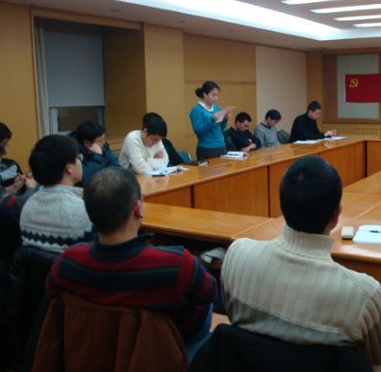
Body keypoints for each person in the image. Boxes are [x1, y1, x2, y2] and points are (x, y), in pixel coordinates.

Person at [221, 156, 381, 371]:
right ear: (336, 215)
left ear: (281, 204)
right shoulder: (365, 293)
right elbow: (379, 357)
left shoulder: (236, 255)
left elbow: (233, 316)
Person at [46, 167, 218, 358]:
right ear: (138, 208)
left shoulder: (68, 261)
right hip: (160, 354)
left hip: (93, 353)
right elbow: (211, 293)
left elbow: (53, 293)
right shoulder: (178, 265)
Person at [20, 135, 93, 253]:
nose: (81, 161)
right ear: (69, 167)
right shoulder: (83, 211)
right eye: (79, 157)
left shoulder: (28, 206)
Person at [190, 81, 234, 161]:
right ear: (205, 94)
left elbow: (220, 129)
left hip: (221, 146)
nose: (215, 98)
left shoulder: (216, 108)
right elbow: (198, 131)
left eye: (217, 95)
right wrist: (211, 120)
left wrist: (225, 119)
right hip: (207, 148)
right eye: (213, 95)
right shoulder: (197, 110)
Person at [0, 122, 37, 213]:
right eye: (4, 144)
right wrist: (31, 188)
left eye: (6, 143)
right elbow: (17, 205)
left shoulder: (11, 164)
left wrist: (17, 185)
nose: (6, 149)